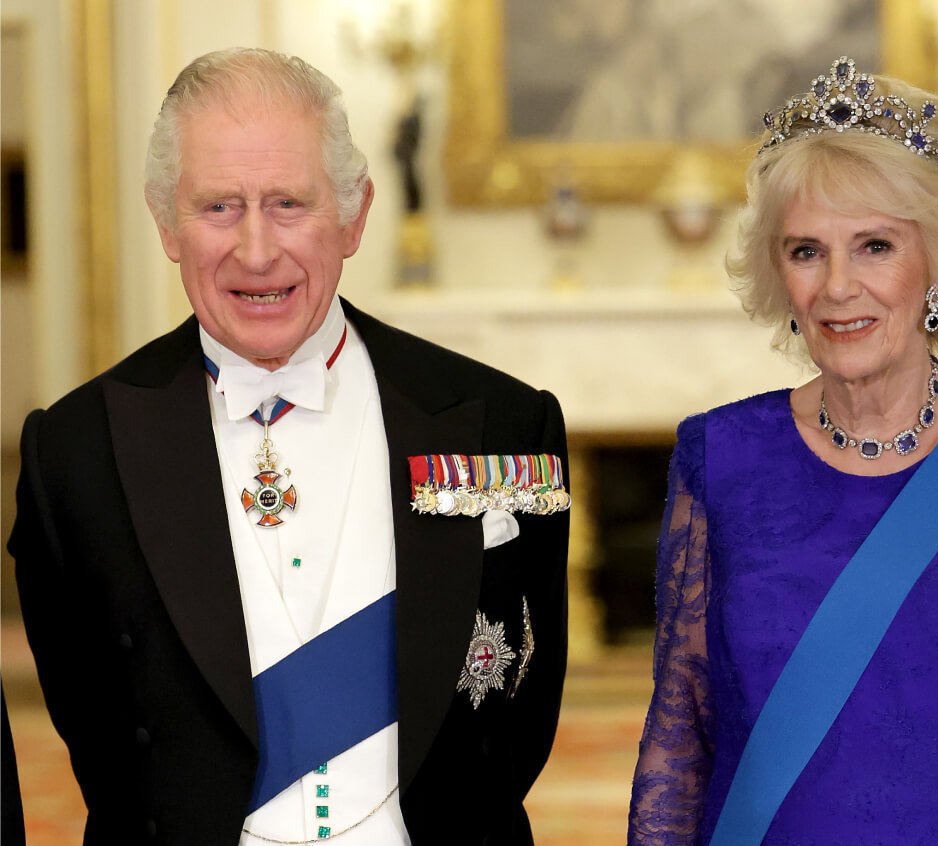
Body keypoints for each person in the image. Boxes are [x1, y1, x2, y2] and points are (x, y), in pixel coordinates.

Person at [10, 48, 569, 845]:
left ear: (355, 213)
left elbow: (521, 708)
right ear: (166, 222)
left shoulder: (502, 423)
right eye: (218, 208)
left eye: (288, 204)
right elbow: (97, 734)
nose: (257, 251)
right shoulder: (73, 454)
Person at [628, 56, 938, 844]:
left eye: (874, 246)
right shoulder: (720, 457)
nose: (837, 287)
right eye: (806, 251)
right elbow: (678, 736)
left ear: (937, 261)